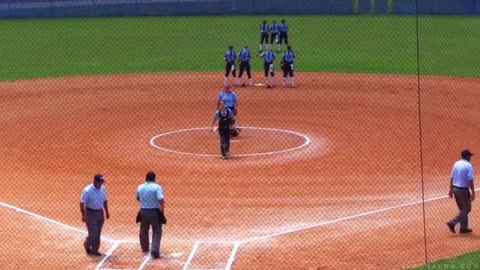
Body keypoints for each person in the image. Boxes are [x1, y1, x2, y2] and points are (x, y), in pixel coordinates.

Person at [136, 171, 165, 259]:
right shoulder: (157, 187)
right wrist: (162, 211)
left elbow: (138, 197)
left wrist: (145, 203)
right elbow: (161, 199)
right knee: (157, 231)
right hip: (154, 211)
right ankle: (154, 250)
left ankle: (145, 248)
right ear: (154, 178)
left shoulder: (140, 187)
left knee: (143, 230)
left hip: (143, 211)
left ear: (146, 178)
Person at [80, 174, 110, 256]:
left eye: (102, 182)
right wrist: (83, 215)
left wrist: (106, 211)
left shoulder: (103, 189)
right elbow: (82, 203)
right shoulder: (87, 190)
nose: (101, 184)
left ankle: (95, 250)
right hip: (90, 213)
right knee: (93, 233)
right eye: (100, 182)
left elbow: (105, 201)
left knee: (98, 233)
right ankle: (87, 244)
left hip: (100, 212)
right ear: (95, 181)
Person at [447, 150, 475, 234]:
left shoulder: (456, 163)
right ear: (466, 156)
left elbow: (452, 177)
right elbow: (470, 180)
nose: (470, 157)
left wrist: (451, 189)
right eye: (469, 156)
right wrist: (473, 192)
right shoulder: (468, 165)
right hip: (463, 190)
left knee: (464, 209)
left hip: (455, 189)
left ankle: (463, 228)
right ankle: (452, 222)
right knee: (465, 209)